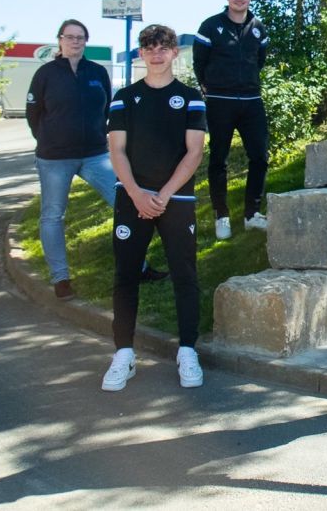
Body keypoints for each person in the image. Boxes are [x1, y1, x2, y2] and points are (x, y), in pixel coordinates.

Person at [26, 19, 165, 301]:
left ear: (85, 41)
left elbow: (107, 110)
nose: (75, 42)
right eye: (70, 37)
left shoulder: (97, 72)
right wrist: (46, 138)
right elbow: (34, 113)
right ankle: (61, 278)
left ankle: (138, 267)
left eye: (80, 38)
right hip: (54, 158)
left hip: (95, 154)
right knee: (53, 215)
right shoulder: (45, 74)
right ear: (60, 40)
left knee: (126, 203)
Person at [101, 25, 207, 392]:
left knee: (185, 275)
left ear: (175, 52)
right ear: (140, 54)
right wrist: (137, 194)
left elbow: (194, 151)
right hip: (133, 199)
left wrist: (161, 194)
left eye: (164, 47)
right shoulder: (124, 97)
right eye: (149, 47)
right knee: (125, 276)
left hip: (175, 200)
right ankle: (123, 354)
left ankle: (188, 351)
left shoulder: (191, 97)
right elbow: (117, 151)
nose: (157, 53)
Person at [192, 0, 270, 240]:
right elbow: (199, 63)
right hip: (220, 102)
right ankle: (221, 214)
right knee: (219, 160)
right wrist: (210, 88)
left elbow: (259, 60)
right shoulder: (210, 26)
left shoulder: (258, 27)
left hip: (251, 101)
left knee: (260, 156)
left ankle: (252, 215)